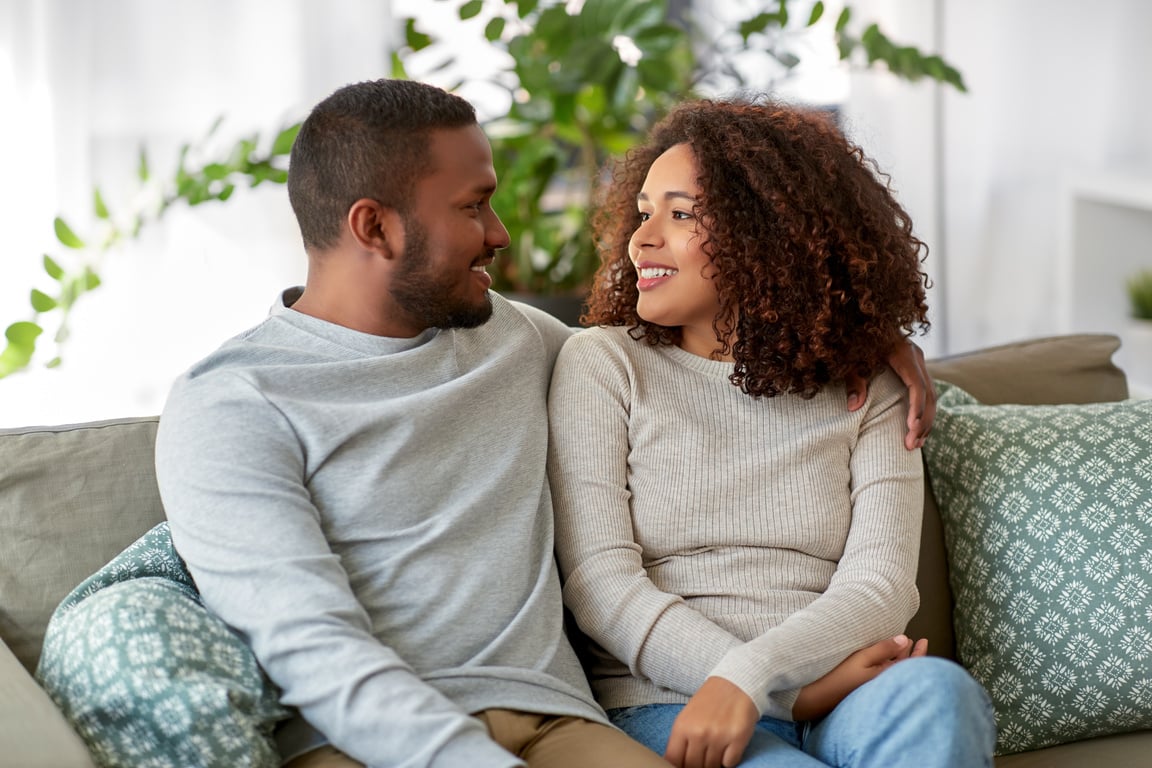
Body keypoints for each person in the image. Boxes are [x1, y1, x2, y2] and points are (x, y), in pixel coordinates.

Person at [154, 79, 937, 767]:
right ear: (375, 228)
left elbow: (694, 359)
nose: (500, 233)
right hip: (363, 744)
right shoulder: (230, 404)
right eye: (473, 206)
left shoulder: (520, 341)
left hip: (562, 724)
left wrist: (865, 337)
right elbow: (314, 652)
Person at [547, 98, 996, 768]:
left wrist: (757, 681)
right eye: (644, 213)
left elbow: (881, 587)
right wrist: (789, 695)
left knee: (937, 693)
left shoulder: (867, 384)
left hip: (843, 694)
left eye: (680, 214)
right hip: (668, 700)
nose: (641, 239)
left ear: (769, 234)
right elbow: (600, 586)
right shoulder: (602, 364)